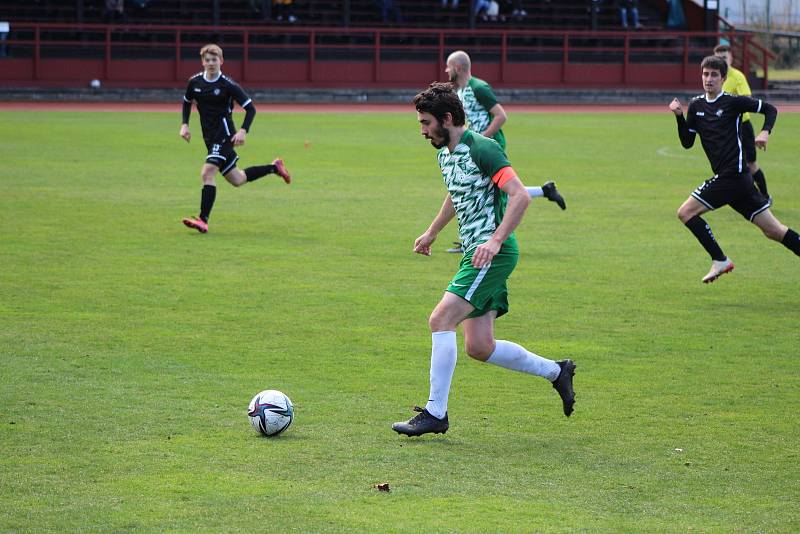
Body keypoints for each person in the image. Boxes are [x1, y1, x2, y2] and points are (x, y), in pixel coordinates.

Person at [391, 82, 576, 437]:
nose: (423, 131)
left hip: (492, 253)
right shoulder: (445, 154)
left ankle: (435, 413)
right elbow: (455, 194)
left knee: (440, 319)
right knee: (480, 347)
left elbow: (520, 196)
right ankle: (558, 371)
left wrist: (495, 240)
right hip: (477, 254)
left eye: (426, 123)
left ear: (447, 118)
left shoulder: (484, 148)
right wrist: (432, 232)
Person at [669, 55, 800, 283]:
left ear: (723, 78)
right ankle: (720, 260)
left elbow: (770, 109)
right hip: (738, 183)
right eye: (705, 74)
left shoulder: (732, 102)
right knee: (774, 231)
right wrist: (680, 117)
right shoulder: (697, 105)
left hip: (733, 177)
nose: (708, 79)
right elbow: (687, 142)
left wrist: (765, 132)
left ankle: (719, 259)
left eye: (714, 75)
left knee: (685, 212)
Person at [445, 50, 566, 253]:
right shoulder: (461, 91)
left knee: (487, 190)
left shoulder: (479, 88)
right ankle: (545, 191)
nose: (446, 70)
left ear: (457, 68)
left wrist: (482, 138)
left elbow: (501, 116)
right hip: (476, 147)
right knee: (483, 189)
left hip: (490, 146)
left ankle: (486, 239)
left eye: (448, 66)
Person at [180, 44, 291, 233]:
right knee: (237, 179)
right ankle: (275, 167)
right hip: (209, 136)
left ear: (221, 61)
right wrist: (185, 124)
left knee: (207, 173)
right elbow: (186, 101)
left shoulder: (228, 85)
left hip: (223, 134)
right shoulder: (195, 82)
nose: (211, 63)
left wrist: (242, 131)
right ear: (202, 62)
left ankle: (203, 219)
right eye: (207, 60)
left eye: (214, 60)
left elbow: (251, 108)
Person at [714, 44, 770, 201]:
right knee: (727, 164)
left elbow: (746, 99)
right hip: (724, 129)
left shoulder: (737, 77)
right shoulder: (715, 77)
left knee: (750, 164)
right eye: (718, 57)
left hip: (742, 127)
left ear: (731, 58)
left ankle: (765, 196)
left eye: (724, 57)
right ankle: (734, 195)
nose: (721, 60)